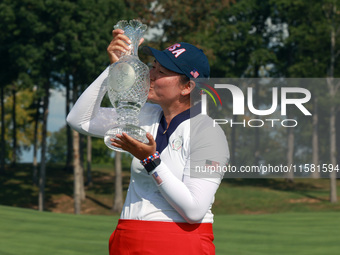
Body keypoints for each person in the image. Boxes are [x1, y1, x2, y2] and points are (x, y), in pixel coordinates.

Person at [67, 28, 229, 255]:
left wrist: (151, 160)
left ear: (187, 87)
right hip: (128, 237)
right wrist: (114, 69)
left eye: (160, 72)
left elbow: (193, 210)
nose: (149, 75)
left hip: (178, 244)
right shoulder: (145, 114)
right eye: (152, 66)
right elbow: (79, 120)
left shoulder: (208, 132)